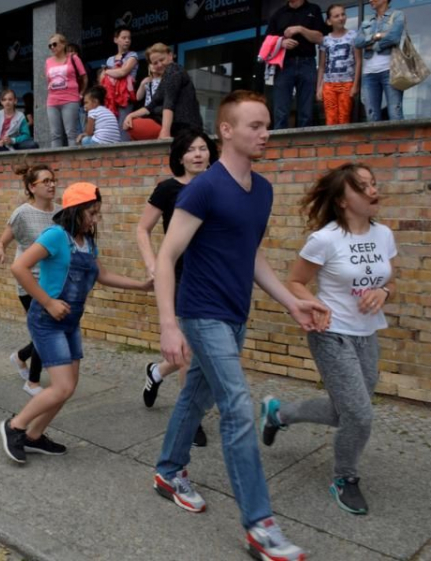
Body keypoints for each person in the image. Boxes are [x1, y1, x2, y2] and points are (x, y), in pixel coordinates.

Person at [152, 91, 328, 561]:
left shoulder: (264, 190)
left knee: (198, 395)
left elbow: (252, 256)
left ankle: (168, 470)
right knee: (236, 406)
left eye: (267, 125)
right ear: (226, 131)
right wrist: (169, 324)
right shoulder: (203, 188)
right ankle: (260, 526)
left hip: (235, 313)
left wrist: (292, 301)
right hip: (200, 311)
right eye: (255, 125)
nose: (265, 133)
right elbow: (168, 257)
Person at [260, 163, 396, 516]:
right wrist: (314, 304)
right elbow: (295, 282)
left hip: (367, 334)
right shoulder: (325, 239)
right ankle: (344, 478)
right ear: (342, 200)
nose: (372, 190)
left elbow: (389, 281)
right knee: (360, 416)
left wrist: (383, 291)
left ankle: (279, 414)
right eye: (362, 186)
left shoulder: (383, 235)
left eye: (373, 183)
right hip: (331, 333)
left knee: (345, 413)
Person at [0, 182, 152, 464]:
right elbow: (18, 268)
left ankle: (34, 436)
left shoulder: (88, 243)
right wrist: (47, 301)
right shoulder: (56, 236)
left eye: (97, 213)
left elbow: (102, 275)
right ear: (75, 211)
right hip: (46, 320)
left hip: (70, 322)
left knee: (69, 386)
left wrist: (142, 286)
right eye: (91, 213)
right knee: (63, 387)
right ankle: (15, 427)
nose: (95, 219)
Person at [136, 129, 219, 448]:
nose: (198, 154)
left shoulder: (218, 186)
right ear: (180, 156)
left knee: (196, 350)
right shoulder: (168, 189)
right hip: (179, 276)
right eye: (191, 150)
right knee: (189, 352)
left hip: (211, 278)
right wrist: (152, 265)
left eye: (203, 149)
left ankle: (156, 372)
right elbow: (143, 229)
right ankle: (191, 418)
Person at [0, 163, 60, 396]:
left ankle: (20, 357)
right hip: (29, 281)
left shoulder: (61, 212)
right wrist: (0, 250)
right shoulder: (22, 213)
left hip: (54, 281)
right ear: (32, 187)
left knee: (47, 330)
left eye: (53, 180)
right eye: (46, 181)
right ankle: (32, 382)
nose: (52, 185)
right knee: (46, 331)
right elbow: (3, 240)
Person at [266, 0, 325, 129]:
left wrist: (300, 29)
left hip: (307, 62)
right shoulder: (278, 14)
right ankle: (280, 147)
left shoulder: (313, 9)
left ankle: (305, 146)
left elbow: (320, 38)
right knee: (280, 111)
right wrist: (281, 43)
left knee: (306, 111)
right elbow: (267, 41)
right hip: (284, 64)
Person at [123, 50, 202, 140]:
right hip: (172, 124)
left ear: (170, 56)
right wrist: (131, 115)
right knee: (131, 124)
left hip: (183, 126)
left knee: (135, 125)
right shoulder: (165, 79)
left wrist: (165, 131)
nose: (159, 65)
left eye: (162, 60)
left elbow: (169, 104)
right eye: (155, 63)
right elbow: (152, 105)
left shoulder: (173, 70)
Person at [355, 0, 405, 122]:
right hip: (369, 74)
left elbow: (393, 38)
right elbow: (357, 42)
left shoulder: (397, 15)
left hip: (390, 71)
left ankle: (400, 140)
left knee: (395, 113)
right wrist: (376, 36)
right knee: (371, 116)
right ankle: (375, 142)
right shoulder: (367, 22)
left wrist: (373, 45)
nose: (370, 1)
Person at [317, 4, 362, 126]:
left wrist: (355, 85)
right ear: (329, 21)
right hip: (329, 84)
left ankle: (343, 144)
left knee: (344, 117)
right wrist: (319, 87)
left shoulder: (353, 35)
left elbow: (358, 61)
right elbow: (321, 66)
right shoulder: (325, 40)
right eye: (336, 16)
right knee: (330, 118)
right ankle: (331, 144)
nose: (341, 18)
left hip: (347, 83)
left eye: (343, 14)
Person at [45, 33, 87, 148]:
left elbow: (84, 77)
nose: (52, 47)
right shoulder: (48, 61)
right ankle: (56, 164)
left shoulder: (73, 58)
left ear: (63, 44)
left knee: (71, 134)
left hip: (70, 99)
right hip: (52, 101)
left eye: (55, 44)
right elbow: (48, 80)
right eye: (50, 46)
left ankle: (72, 164)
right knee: (55, 135)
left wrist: (81, 94)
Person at [101, 26, 138, 141]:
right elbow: (102, 79)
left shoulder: (133, 56)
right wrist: (110, 73)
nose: (127, 40)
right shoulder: (109, 60)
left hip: (125, 98)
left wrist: (107, 71)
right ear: (116, 39)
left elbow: (123, 72)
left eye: (129, 38)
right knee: (111, 127)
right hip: (111, 98)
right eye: (123, 37)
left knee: (123, 127)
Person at [137, 43, 173, 113]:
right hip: (149, 111)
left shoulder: (166, 77)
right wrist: (142, 84)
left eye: (161, 60)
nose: (156, 66)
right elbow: (138, 97)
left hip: (161, 109)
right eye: (154, 63)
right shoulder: (148, 80)